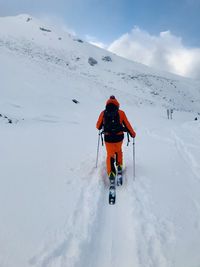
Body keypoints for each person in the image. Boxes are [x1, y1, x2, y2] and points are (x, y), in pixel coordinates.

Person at [96, 95, 136, 184]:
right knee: (118, 151)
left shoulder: (103, 113)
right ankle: (119, 166)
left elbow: (98, 126)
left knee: (110, 154)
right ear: (117, 103)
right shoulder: (121, 113)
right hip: (119, 137)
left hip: (108, 138)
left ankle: (111, 173)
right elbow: (127, 124)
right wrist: (132, 133)